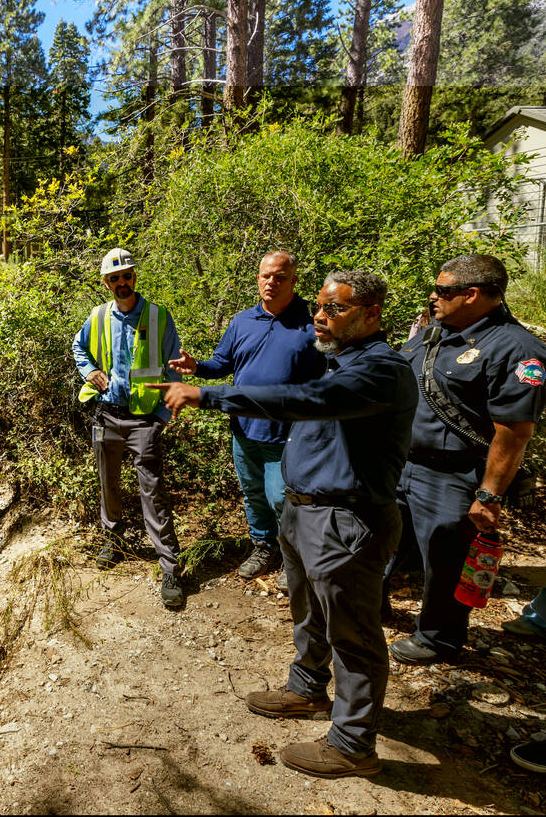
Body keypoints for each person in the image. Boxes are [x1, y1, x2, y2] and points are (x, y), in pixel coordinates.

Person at [147, 270, 418, 779]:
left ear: (371, 314)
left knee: (353, 635)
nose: (320, 316)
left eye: (334, 309)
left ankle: (353, 745)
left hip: (347, 521)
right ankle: (307, 689)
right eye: (319, 306)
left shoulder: (380, 370)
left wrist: (209, 395)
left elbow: (303, 401)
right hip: (305, 513)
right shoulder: (339, 360)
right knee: (310, 612)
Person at [387, 255, 546, 665]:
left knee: (445, 559)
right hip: (403, 464)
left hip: (454, 474)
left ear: (472, 294)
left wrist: (489, 496)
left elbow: (513, 433)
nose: (432, 297)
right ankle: (373, 605)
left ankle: (439, 638)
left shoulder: (518, 349)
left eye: (442, 290)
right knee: (385, 541)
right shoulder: (433, 333)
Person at [169, 250, 324, 579]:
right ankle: (263, 546)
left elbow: (323, 385)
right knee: (254, 495)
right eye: (266, 276)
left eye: (279, 277)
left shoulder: (311, 326)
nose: (271, 282)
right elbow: (221, 365)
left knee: (282, 498)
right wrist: (197, 368)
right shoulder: (242, 321)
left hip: (287, 434)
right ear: (257, 279)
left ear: (293, 281)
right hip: (243, 429)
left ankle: (293, 558)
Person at [71, 247, 185, 608]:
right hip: (105, 416)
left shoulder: (158, 316)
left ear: (135, 277)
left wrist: (162, 417)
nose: (122, 282)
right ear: (106, 282)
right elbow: (79, 347)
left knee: (153, 491)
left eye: (127, 276)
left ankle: (169, 566)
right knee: (108, 483)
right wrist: (89, 371)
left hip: (143, 421)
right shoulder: (98, 316)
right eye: (115, 278)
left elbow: (173, 366)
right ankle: (114, 542)